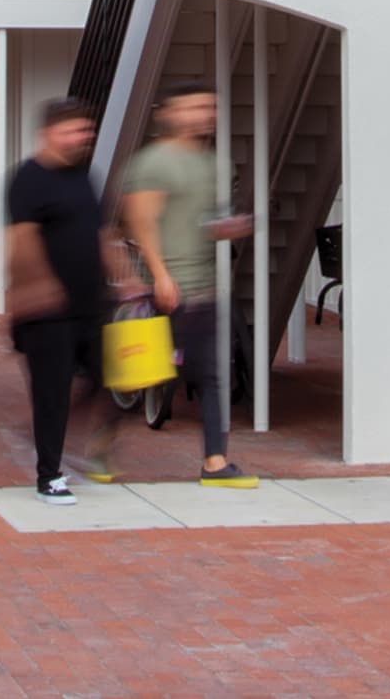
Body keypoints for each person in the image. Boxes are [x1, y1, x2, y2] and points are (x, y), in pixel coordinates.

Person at [77, 81, 257, 488]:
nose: (203, 115)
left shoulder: (213, 163)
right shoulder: (152, 164)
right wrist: (158, 274)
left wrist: (228, 228)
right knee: (139, 373)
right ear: (170, 113)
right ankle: (100, 446)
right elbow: (140, 221)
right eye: (193, 107)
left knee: (212, 374)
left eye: (209, 107)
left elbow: (202, 222)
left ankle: (215, 463)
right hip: (167, 290)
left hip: (205, 289)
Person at [6, 96, 121, 504]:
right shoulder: (27, 179)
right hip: (45, 312)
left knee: (109, 378)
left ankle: (67, 443)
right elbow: (20, 239)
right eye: (75, 130)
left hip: (90, 304)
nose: (83, 137)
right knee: (51, 392)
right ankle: (48, 476)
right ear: (49, 133)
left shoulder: (84, 177)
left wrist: (128, 279)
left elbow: (102, 233)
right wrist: (37, 285)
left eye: (86, 130)